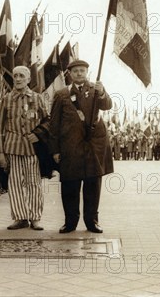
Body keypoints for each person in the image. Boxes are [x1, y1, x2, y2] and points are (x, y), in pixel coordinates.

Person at [48, 59, 113, 234]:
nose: (79, 73)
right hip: (71, 147)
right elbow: (54, 124)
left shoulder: (95, 90)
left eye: (82, 70)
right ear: (69, 74)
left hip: (92, 146)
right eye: (75, 71)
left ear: (87, 72)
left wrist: (102, 93)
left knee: (93, 185)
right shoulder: (62, 94)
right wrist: (55, 150)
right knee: (70, 185)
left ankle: (92, 221)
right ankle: (70, 222)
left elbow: (107, 105)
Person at [0, 66, 49, 230]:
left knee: (34, 183)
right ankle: (20, 217)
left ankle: (35, 217)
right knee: (15, 183)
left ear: (28, 79)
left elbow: (48, 121)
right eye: (15, 76)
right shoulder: (6, 99)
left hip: (32, 148)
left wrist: (39, 134)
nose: (18, 79)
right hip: (12, 147)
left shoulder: (37, 98)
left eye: (22, 76)